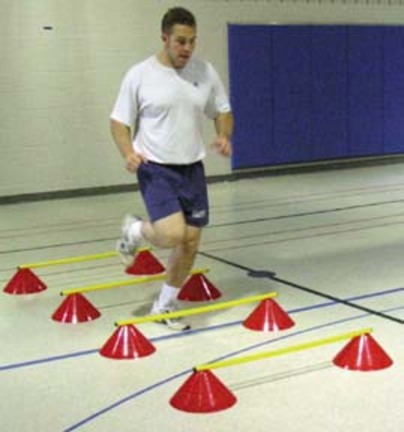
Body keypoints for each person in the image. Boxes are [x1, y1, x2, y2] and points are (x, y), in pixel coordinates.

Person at [110, 7, 233, 331]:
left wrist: (223, 134)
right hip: (155, 167)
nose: (187, 48)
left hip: (191, 168)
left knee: (191, 241)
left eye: (192, 41)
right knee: (171, 234)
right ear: (164, 37)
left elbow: (222, 109)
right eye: (180, 41)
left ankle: (165, 305)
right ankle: (135, 230)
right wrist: (128, 152)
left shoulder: (204, 72)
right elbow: (119, 122)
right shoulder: (140, 74)